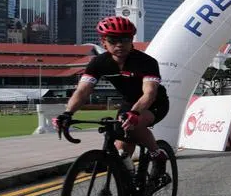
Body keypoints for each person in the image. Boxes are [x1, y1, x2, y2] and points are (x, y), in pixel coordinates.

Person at [54, 16, 170, 180]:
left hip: (155, 103)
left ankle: (158, 155)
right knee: (121, 147)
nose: (119, 44)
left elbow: (149, 93)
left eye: (125, 39)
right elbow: (82, 91)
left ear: (132, 41)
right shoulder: (99, 63)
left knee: (134, 126)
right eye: (113, 40)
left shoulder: (146, 62)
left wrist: (135, 113)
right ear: (104, 42)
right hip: (129, 103)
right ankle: (128, 185)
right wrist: (67, 113)